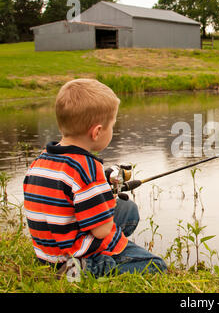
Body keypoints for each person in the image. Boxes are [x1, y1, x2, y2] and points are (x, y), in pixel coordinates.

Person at [23, 79, 167, 281]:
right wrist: (105, 198)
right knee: (156, 266)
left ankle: (92, 258)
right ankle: (84, 269)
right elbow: (101, 230)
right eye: (112, 126)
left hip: (47, 251)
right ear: (97, 131)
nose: (112, 131)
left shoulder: (41, 159)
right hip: (71, 254)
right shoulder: (86, 167)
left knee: (128, 210)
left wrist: (100, 194)